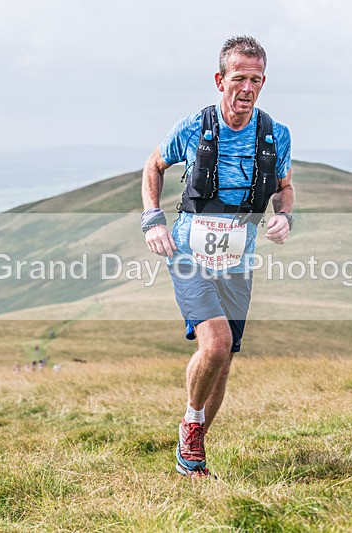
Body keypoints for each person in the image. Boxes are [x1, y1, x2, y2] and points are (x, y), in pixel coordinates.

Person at [141, 36, 293, 478]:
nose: (247, 87)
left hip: (239, 255)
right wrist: (153, 219)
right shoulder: (194, 126)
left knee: (224, 359)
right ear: (219, 80)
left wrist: (285, 217)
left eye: (256, 79)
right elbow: (154, 165)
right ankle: (191, 424)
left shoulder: (276, 135)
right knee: (216, 343)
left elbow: (284, 187)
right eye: (239, 77)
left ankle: (192, 451)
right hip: (188, 249)